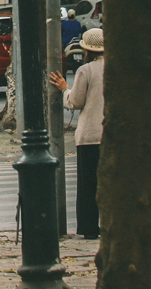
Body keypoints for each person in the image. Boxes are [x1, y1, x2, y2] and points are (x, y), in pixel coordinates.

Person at [49, 27, 104, 239]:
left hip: (90, 136)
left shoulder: (86, 70)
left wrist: (64, 88)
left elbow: (75, 101)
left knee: (88, 186)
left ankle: (89, 228)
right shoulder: (116, 68)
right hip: (111, 136)